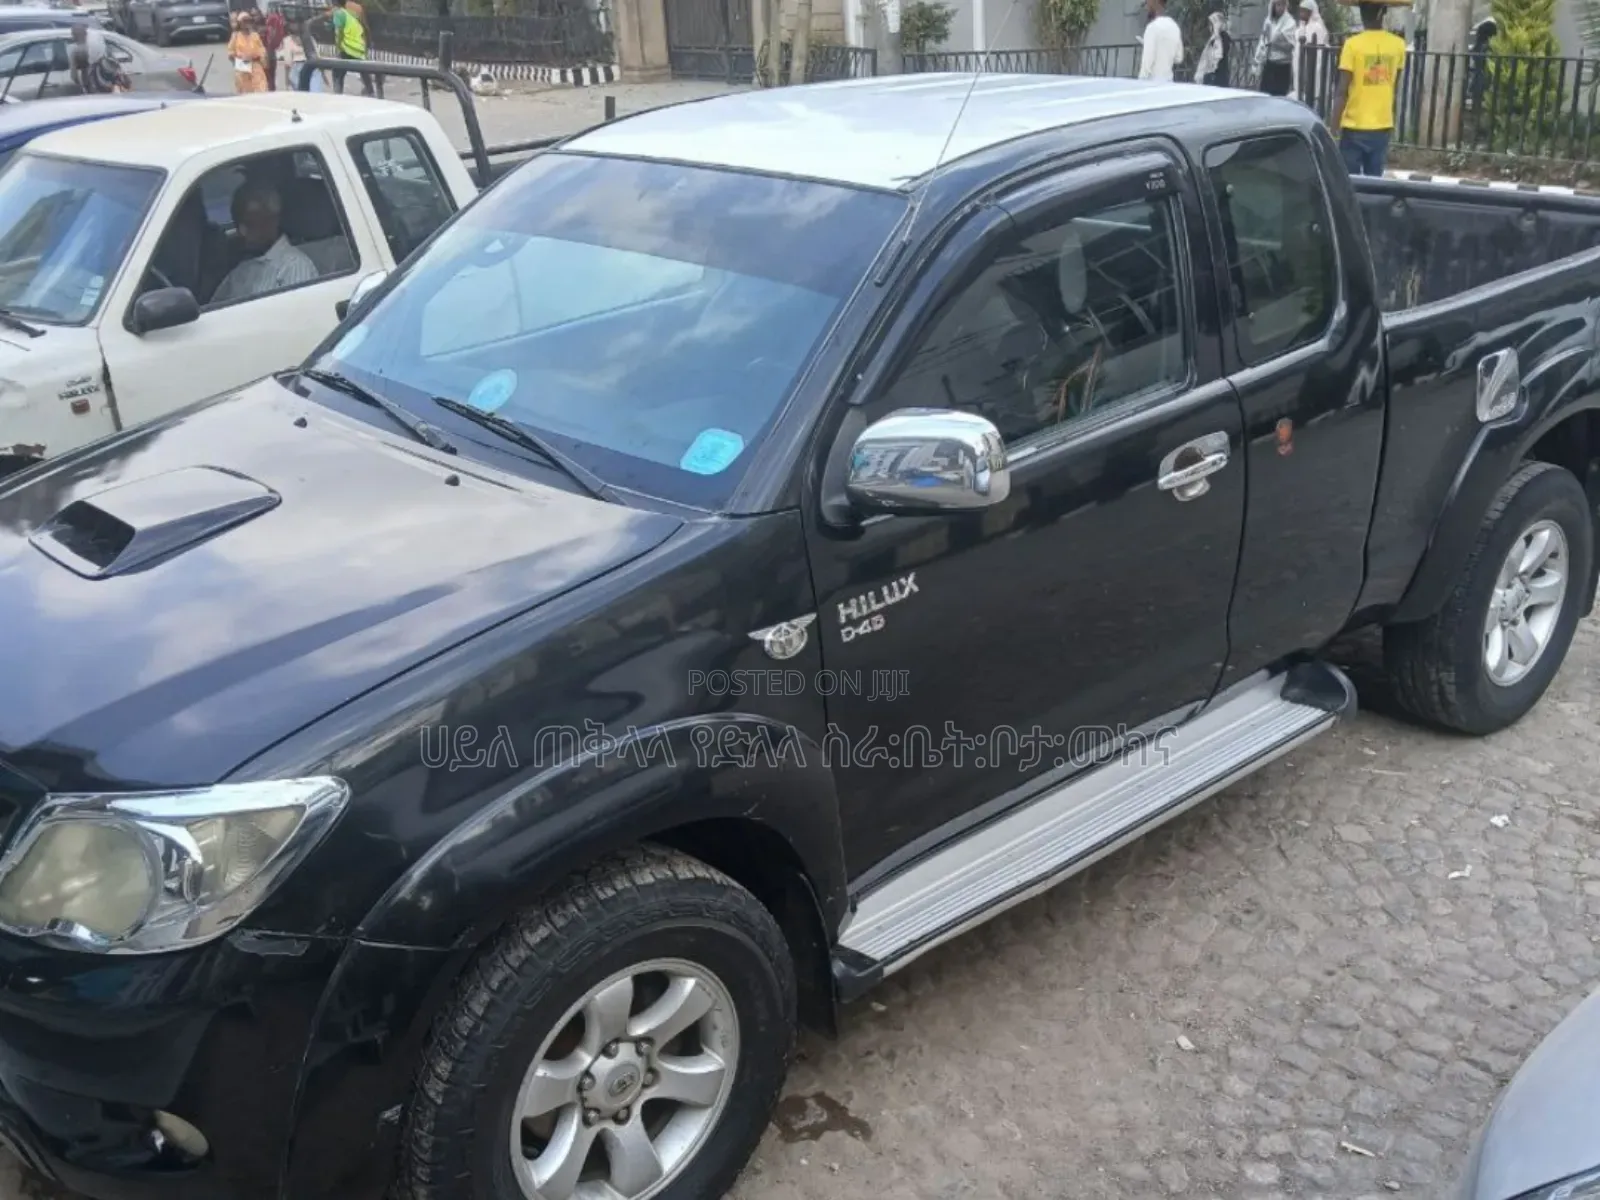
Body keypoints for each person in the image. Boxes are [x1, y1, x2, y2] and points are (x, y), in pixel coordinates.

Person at [210, 179, 317, 306]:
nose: (242, 232)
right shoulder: (240, 271)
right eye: (238, 224)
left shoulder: (293, 266)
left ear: (272, 221)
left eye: (249, 224)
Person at [1330, 0, 1407, 176]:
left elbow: (1342, 91)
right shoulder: (1398, 45)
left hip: (1354, 126)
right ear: (1384, 12)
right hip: (1382, 125)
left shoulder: (1352, 45)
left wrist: (1333, 129)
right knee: (1375, 183)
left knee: (1351, 184)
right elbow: (1394, 81)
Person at [329, 0, 376, 97]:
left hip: (347, 47)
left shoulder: (339, 13)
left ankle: (337, 94)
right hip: (358, 47)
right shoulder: (353, 13)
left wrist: (338, 47)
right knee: (364, 72)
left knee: (338, 72)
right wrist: (367, 44)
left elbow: (339, 32)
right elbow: (363, 27)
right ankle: (371, 92)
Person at [1255, 0, 1297, 96]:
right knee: (1265, 93)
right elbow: (1264, 39)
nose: (1280, 7)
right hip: (1269, 62)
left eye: (1282, 4)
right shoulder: (1269, 20)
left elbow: (1290, 44)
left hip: (1282, 64)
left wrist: (1276, 40)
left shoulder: (1290, 22)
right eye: (1277, 4)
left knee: (1279, 95)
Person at [1137, 0, 1184, 82]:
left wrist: (1139, 84)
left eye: (1147, 2)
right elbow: (1179, 58)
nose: (1146, 6)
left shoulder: (1152, 28)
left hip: (1152, 84)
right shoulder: (1174, 27)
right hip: (1168, 82)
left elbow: (1146, 65)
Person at [1294, 0, 1329, 105]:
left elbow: (1319, 47)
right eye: (1300, 11)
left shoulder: (1317, 27)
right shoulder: (1301, 27)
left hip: (1313, 63)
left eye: (1304, 11)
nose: (1301, 14)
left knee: (1314, 88)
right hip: (1300, 62)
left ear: (1311, 12)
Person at [228, 11, 268, 94]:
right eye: (244, 21)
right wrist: (239, 60)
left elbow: (262, 50)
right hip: (242, 65)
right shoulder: (235, 36)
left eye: (248, 21)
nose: (247, 23)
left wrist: (259, 57)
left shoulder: (255, 35)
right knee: (245, 91)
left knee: (261, 89)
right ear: (240, 23)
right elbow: (231, 52)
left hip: (255, 65)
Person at [1192, 10, 1231, 85]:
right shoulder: (1214, 37)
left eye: (1212, 24)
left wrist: (1217, 35)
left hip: (1218, 74)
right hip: (1210, 74)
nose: (1210, 27)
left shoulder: (1223, 36)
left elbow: (1219, 53)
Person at [261, 5, 286, 91]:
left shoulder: (272, 24)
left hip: (271, 55)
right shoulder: (265, 30)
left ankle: (271, 91)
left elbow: (277, 39)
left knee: (270, 77)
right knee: (268, 78)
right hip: (266, 55)